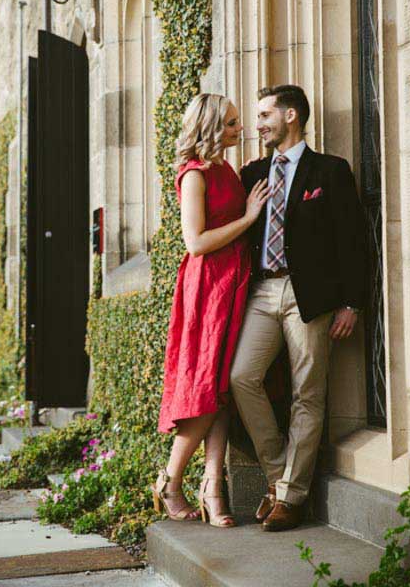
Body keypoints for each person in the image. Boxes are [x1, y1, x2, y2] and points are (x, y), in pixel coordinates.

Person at [231, 84, 367, 531]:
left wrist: (352, 301)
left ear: (292, 116)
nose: (258, 123)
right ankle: (277, 477)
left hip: (310, 297)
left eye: (265, 113)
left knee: (308, 392)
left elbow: (352, 241)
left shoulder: (330, 171)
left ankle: (291, 497)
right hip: (261, 292)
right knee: (241, 377)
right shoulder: (252, 173)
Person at [153, 93, 270, 527]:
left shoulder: (226, 169)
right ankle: (169, 482)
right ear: (211, 128)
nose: (241, 130)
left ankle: (212, 487)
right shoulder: (195, 175)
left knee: (222, 389)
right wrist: (249, 217)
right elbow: (196, 242)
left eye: (239, 122)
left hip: (234, 282)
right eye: (233, 124)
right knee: (205, 390)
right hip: (207, 288)